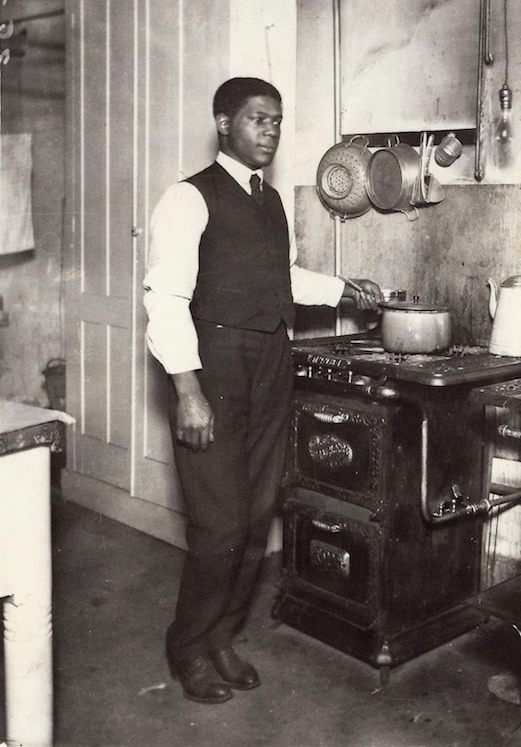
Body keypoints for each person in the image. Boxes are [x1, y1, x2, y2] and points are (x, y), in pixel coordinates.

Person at [143, 76, 381, 705]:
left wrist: (341, 290)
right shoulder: (189, 198)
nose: (269, 132)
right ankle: (188, 646)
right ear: (224, 124)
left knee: (254, 519)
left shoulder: (271, 202)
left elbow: (282, 275)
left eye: (276, 121)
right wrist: (187, 391)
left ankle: (223, 635)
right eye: (256, 120)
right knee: (219, 524)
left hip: (272, 361)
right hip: (213, 367)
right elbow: (165, 299)